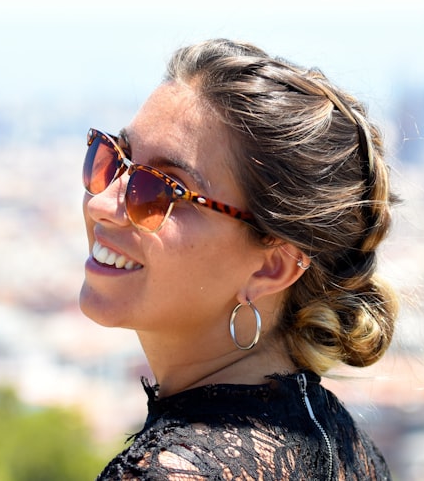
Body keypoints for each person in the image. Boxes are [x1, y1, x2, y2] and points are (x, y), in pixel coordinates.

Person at [80, 38, 398, 480]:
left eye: (163, 190)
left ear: (273, 266)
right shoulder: (348, 448)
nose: (101, 204)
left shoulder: (172, 472)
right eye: (115, 160)